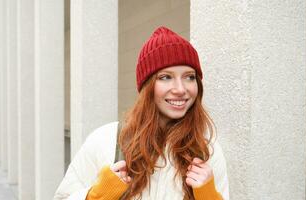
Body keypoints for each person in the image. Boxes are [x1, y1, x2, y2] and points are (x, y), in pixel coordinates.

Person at [54, 26, 229, 200]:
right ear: (147, 87)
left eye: (189, 77)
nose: (180, 89)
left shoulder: (207, 150)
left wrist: (209, 197)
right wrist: (94, 196)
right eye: (165, 77)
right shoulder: (105, 140)